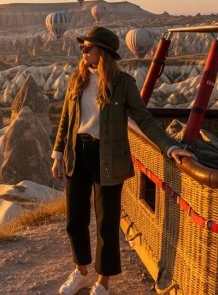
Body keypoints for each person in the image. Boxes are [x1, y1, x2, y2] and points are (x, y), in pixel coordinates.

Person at [51, 27, 196, 295]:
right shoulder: (76, 80)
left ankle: (103, 281)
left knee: (107, 221)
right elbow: (65, 119)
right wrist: (57, 153)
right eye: (82, 48)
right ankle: (82, 271)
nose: (83, 52)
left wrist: (170, 148)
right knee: (75, 219)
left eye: (88, 48)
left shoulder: (123, 84)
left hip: (107, 158)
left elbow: (145, 121)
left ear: (103, 53)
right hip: (76, 153)